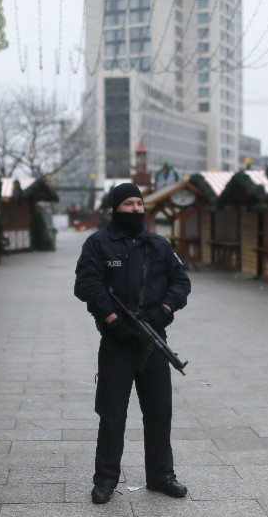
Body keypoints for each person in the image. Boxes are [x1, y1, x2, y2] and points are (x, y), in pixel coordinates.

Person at [74, 182, 192, 504]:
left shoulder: (158, 244)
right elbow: (87, 285)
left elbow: (181, 281)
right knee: (112, 414)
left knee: (159, 412)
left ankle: (161, 475)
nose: (136, 209)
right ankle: (106, 479)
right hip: (117, 343)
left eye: (139, 204)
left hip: (153, 342)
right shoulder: (98, 244)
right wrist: (114, 322)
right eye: (129, 204)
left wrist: (164, 311)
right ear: (115, 208)